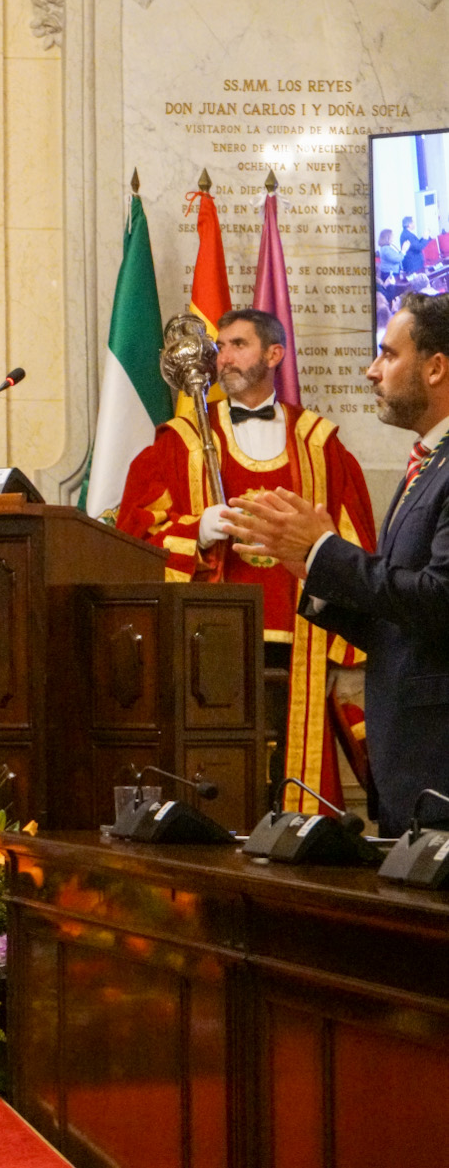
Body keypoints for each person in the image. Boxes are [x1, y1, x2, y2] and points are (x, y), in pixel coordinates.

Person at [117, 308, 376, 811]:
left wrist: (354, 645)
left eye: (238, 345)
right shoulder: (183, 443)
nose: (224, 358)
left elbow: (354, 547)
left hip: (300, 643)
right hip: (208, 641)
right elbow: (133, 538)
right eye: (221, 348)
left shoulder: (320, 445)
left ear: (274, 354)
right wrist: (197, 531)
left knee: (292, 782)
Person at [228, 292, 449, 833]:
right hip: (410, 764)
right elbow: (403, 620)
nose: (373, 372)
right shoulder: (428, 461)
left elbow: (440, 598)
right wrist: (314, 570)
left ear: (436, 367)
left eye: (388, 355)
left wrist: (328, 551)